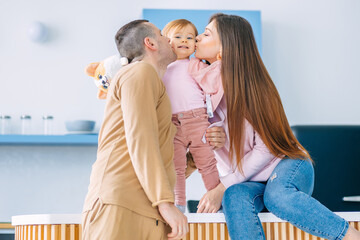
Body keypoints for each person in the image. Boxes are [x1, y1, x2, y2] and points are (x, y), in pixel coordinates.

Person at [192, 13, 360, 240]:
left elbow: (266, 149)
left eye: (206, 34)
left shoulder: (252, 89)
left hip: (287, 163)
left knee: (277, 196)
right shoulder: (199, 92)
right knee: (234, 197)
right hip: (250, 180)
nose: (197, 38)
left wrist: (221, 186)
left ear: (224, 49)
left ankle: (351, 236)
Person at [81, 19, 188, 240]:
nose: (169, 38)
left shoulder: (152, 85)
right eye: (161, 34)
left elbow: (160, 155)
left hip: (146, 209)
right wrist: (165, 202)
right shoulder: (139, 72)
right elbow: (142, 140)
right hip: (121, 204)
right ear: (150, 43)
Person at [161, 19, 220, 213]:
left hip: (197, 120)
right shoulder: (162, 68)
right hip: (172, 123)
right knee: (176, 166)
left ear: (195, 44)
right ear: (166, 41)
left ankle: (218, 199)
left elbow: (213, 81)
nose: (184, 41)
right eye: (177, 37)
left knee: (207, 162)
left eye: (189, 37)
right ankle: (178, 205)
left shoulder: (195, 64)